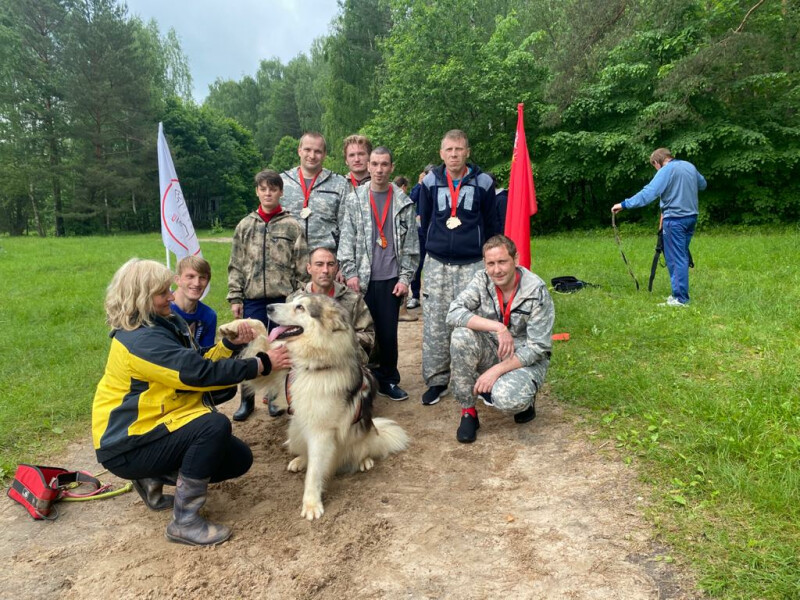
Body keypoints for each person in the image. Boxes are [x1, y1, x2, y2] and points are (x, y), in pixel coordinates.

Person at [92, 258, 291, 546]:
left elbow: (195, 362)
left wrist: (228, 346)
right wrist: (261, 364)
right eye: (163, 292)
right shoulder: (141, 341)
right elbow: (197, 374)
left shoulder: (162, 324)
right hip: (125, 443)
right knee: (212, 426)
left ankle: (150, 476)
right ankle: (184, 521)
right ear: (143, 296)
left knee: (238, 459)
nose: (172, 297)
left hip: (155, 427)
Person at [417, 130, 500, 406]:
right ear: (441, 153)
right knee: (436, 322)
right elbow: (426, 221)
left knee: (475, 320)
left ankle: (484, 379)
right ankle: (437, 380)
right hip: (438, 262)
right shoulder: (430, 182)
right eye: (449, 149)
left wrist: (491, 262)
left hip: (472, 263)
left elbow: (491, 225)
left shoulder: (484, 182)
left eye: (459, 149)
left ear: (468, 152)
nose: (454, 154)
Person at [446, 235, 554, 443]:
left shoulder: (535, 290)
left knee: (506, 399)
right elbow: (453, 312)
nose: (497, 270)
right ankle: (468, 411)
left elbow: (538, 347)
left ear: (516, 259)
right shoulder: (481, 280)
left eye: (502, 262)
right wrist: (498, 327)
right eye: (491, 263)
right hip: (494, 347)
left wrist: (495, 372)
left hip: (524, 358)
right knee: (460, 335)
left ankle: (525, 398)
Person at [339, 146, 420, 401]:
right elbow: (346, 239)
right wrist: (350, 272)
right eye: (375, 164)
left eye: (385, 164)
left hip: (390, 279)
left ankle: (388, 380)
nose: (379, 169)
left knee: (387, 333)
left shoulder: (404, 203)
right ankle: (360, 380)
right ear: (368, 166)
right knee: (360, 332)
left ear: (391, 167)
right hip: (360, 280)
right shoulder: (355, 199)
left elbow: (411, 246)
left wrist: (405, 278)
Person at [227, 168, 308, 421]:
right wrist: (236, 297)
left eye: (273, 189)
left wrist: (296, 298)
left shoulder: (292, 225)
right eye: (263, 189)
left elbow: (301, 264)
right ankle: (247, 399)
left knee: (279, 348)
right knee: (249, 348)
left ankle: (275, 397)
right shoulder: (245, 225)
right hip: (251, 297)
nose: (268, 193)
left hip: (281, 299)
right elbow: (236, 263)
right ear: (257, 192)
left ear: (280, 192)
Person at [612, 148, 706, 306]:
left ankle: (680, 299)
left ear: (657, 162)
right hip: (691, 218)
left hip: (675, 220)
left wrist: (624, 204)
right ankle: (679, 295)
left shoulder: (666, 170)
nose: (656, 170)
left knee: (676, 259)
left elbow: (648, 193)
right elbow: (702, 184)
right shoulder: (689, 166)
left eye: (654, 166)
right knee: (681, 256)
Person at [286, 246, 375, 364]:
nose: (325, 270)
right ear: (309, 268)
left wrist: (337, 339)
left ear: (336, 268)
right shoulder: (294, 301)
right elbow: (287, 338)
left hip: (344, 364)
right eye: (319, 264)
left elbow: (369, 337)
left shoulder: (353, 299)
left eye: (330, 264)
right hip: (306, 364)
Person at [171, 255, 236, 405]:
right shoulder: (164, 310)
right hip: (168, 372)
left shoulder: (208, 316)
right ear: (177, 280)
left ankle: (198, 407)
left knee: (228, 385)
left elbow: (207, 355)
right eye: (190, 276)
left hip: (193, 371)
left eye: (203, 278)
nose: (197, 283)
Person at [281, 132, 349, 252]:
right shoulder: (281, 182)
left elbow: (347, 228)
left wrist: (342, 263)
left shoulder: (339, 184)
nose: (312, 156)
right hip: (288, 258)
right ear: (299, 151)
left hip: (325, 263)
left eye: (317, 151)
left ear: (324, 155)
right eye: (307, 150)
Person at [406, 164, 435, 310]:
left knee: (435, 265)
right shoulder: (420, 187)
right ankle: (415, 295)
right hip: (420, 231)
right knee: (417, 264)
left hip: (436, 231)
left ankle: (433, 296)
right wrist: (419, 184)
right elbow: (410, 200)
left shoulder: (439, 186)